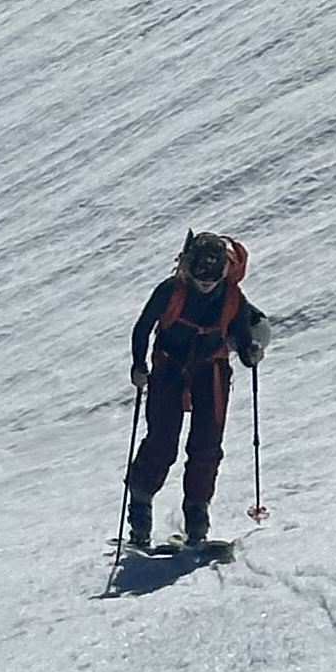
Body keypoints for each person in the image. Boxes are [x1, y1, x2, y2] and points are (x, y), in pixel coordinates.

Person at [125, 225, 265, 549]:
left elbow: (242, 336)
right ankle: (140, 513)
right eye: (201, 279)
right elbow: (142, 328)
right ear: (188, 268)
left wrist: (250, 353)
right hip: (169, 369)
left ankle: (197, 519)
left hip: (211, 372)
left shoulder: (231, 296)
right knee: (162, 442)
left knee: (207, 446)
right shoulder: (171, 291)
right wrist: (138, 365)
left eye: (211, 280)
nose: (205, 285)